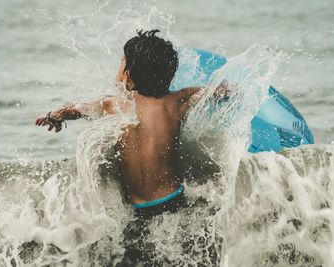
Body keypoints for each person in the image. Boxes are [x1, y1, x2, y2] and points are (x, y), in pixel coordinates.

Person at [35, 29, 209, 265]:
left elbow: (75, 109)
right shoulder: (176, 101)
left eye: (122, 64)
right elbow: (212, 91)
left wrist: (55, 116)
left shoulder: (113, 105)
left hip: (136, 208)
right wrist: (226, 90)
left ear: (129, 78)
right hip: (174, 199)